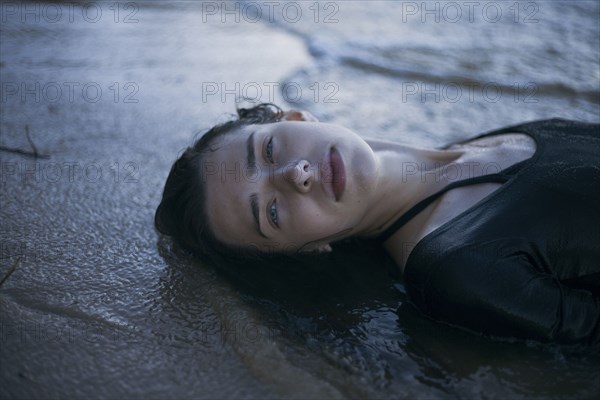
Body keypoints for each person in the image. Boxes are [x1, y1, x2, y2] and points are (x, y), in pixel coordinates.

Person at [155, 103, 600, 345]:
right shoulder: (457, 270)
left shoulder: (481, 140)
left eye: (269, 151)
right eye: (271, 213)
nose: (296, 175)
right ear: (307, 249)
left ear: (294, 117)